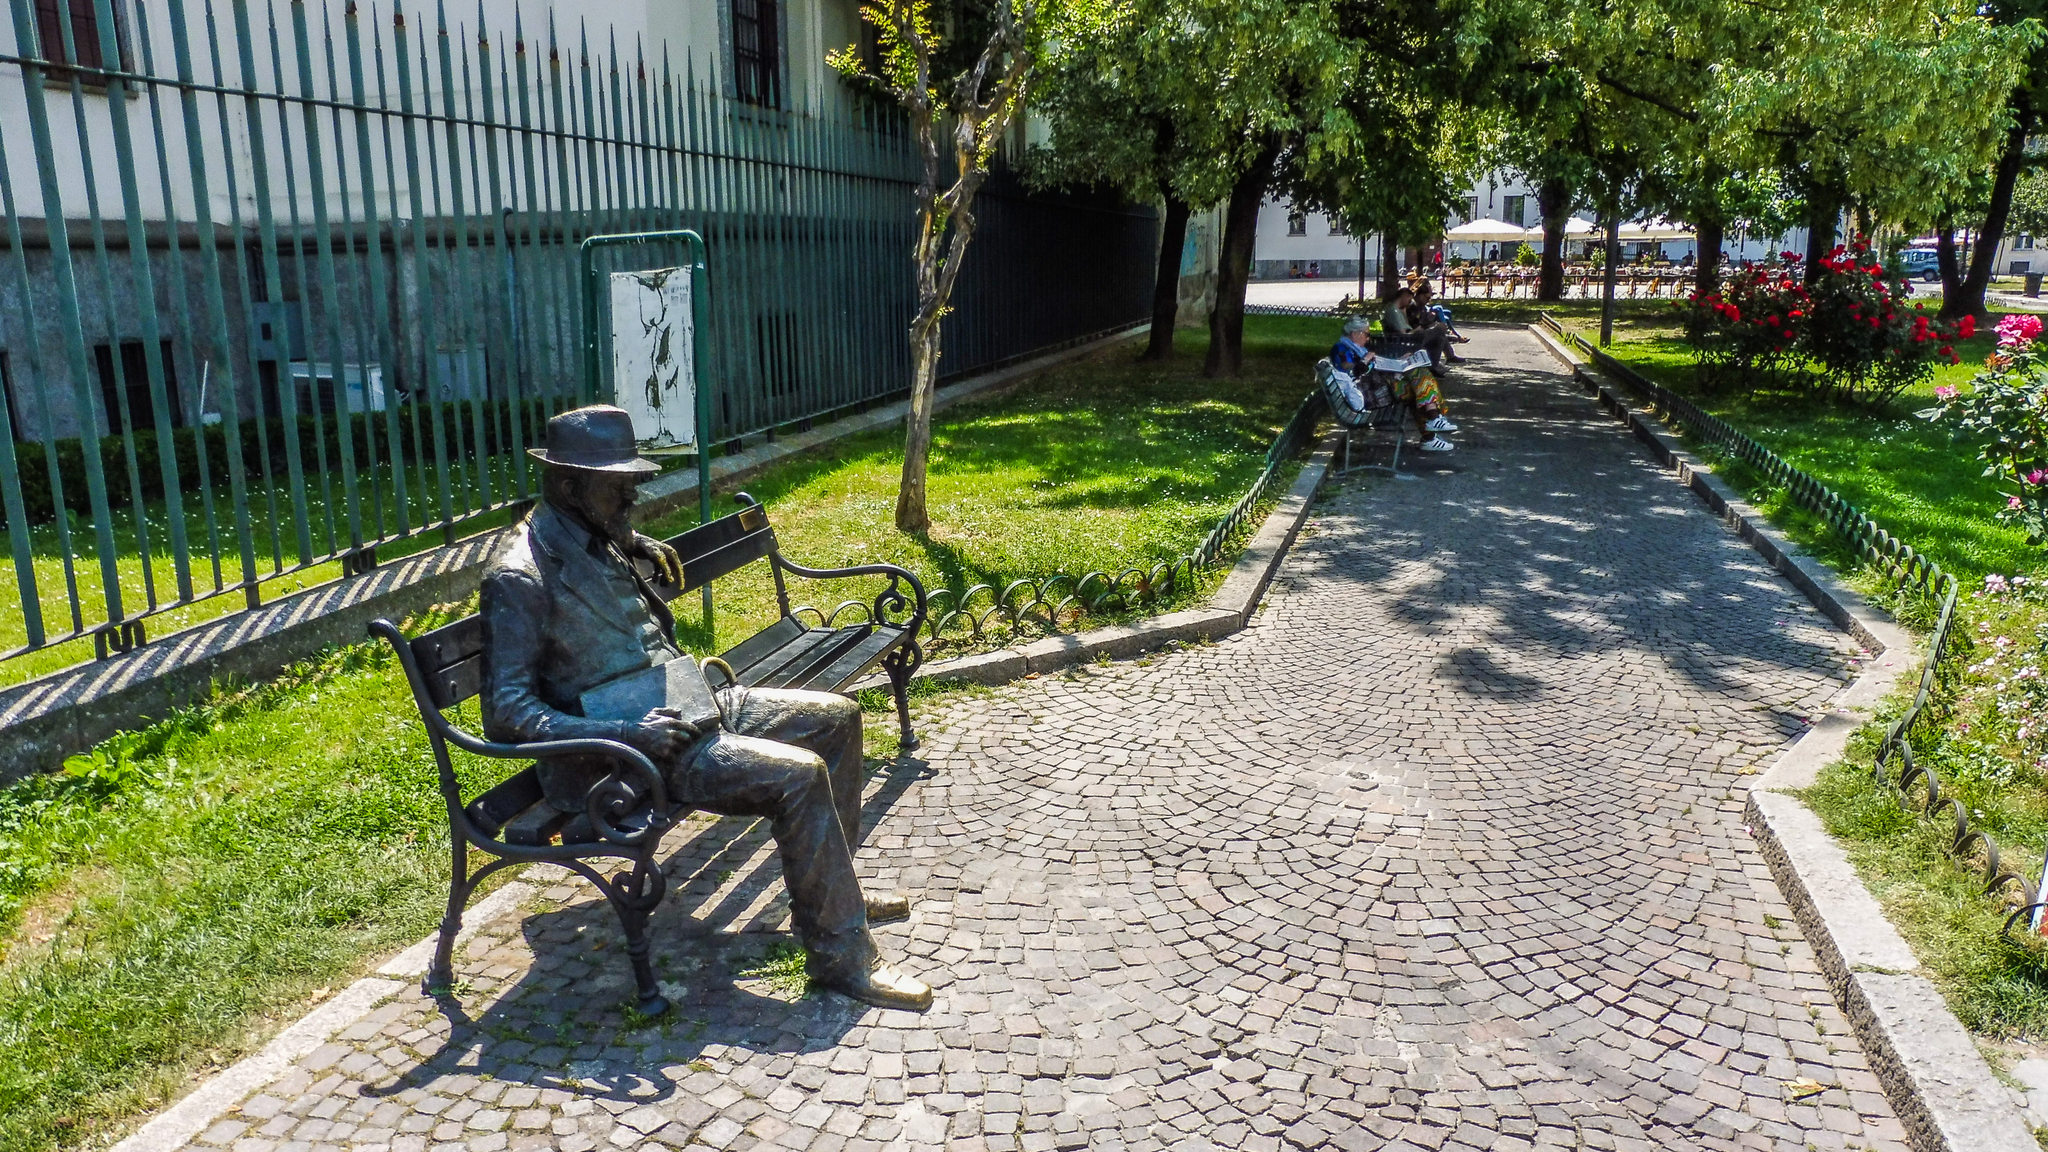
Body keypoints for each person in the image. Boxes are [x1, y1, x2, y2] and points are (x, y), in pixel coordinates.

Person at [479, 405, 933, 1011]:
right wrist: (623, 733)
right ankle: (840, 955)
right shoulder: (520, 576)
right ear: (568, 486)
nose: (632, 501)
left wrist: (633, 542)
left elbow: (608, 550)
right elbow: (505, 709)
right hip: (625, 754)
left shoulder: (592, 532)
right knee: (799, 777)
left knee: (836, 718)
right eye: (620, 489)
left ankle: (833, 893)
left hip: (683, 702)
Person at [1330, 317, 1455, 452]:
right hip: (1369, 394)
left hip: (1376, 387)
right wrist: (1366, 359)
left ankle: (1431, 429)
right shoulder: (1341, 349)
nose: (1368, 339)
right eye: (1367, 334)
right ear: (1355, 334)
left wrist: (1398, 362)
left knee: (1419, 382)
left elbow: (1372, 367)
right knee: (1420, 378)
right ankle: (1433, 422)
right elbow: (1352, 371)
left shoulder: (1354, 348)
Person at [1384, 286, 1464, 372]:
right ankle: (1444, 360)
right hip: (1407, 339)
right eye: (1409, 300)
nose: (1409, 303)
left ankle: (1434, 366)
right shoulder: (1393, 311)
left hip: (1410, 337)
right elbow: (1403, 333)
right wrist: (1417, 330)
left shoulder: (1400, 309)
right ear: (1404, 296)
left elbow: (1407, 326)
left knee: (1439, 337)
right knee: (1439, 330)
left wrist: (1404, 312)